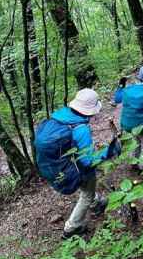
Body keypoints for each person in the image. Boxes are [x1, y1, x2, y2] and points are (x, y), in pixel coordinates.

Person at [35, 88, 108, 239]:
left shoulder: (60, 117)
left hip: (63, 164)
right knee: (87, 193)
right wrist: (110, 151)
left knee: (86, 189)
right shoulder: (81, 129)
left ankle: (96, 203)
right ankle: (72, 227)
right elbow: (88, 161)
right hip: (76, 167)